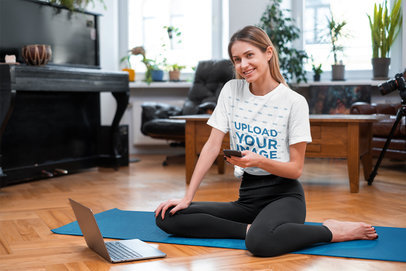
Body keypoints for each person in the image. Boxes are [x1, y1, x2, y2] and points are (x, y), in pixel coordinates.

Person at [155, 25, 378, 257]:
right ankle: (253, 229)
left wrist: (260, 161)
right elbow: (212, 145)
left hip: (284, 196)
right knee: (167, 215)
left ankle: (330, 230)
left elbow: (296, 169)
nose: (243, 65)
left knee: (259, 244)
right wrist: (187, 197)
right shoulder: (231, 90)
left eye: (250, 55)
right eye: (237, 59)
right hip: (248, 198)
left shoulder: (294, 102)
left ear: (268, 53)